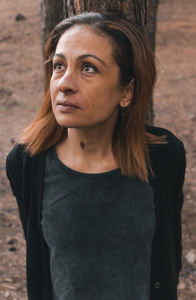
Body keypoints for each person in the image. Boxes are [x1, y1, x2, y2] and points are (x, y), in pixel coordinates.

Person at [6, 10, 186, 300]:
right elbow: (44, 266)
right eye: (58, 66)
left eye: (88, 68)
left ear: (127, 90)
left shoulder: (164, 156)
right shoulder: (28, 162)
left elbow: (167, 259)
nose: (64, 83)